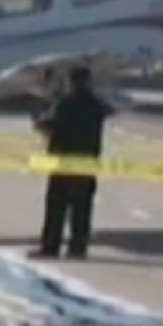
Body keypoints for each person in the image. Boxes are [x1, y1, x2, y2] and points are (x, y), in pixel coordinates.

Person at [31, 66, 114, 259]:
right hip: (87, 162)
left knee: (56, 206)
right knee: (82, 208)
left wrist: (41, 116)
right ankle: (78, 247)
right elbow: (109, 110)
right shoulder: (95, 105)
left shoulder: (64, 104)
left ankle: (51, 246)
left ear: (71, 81)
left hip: (63, 160)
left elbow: (47, 125)